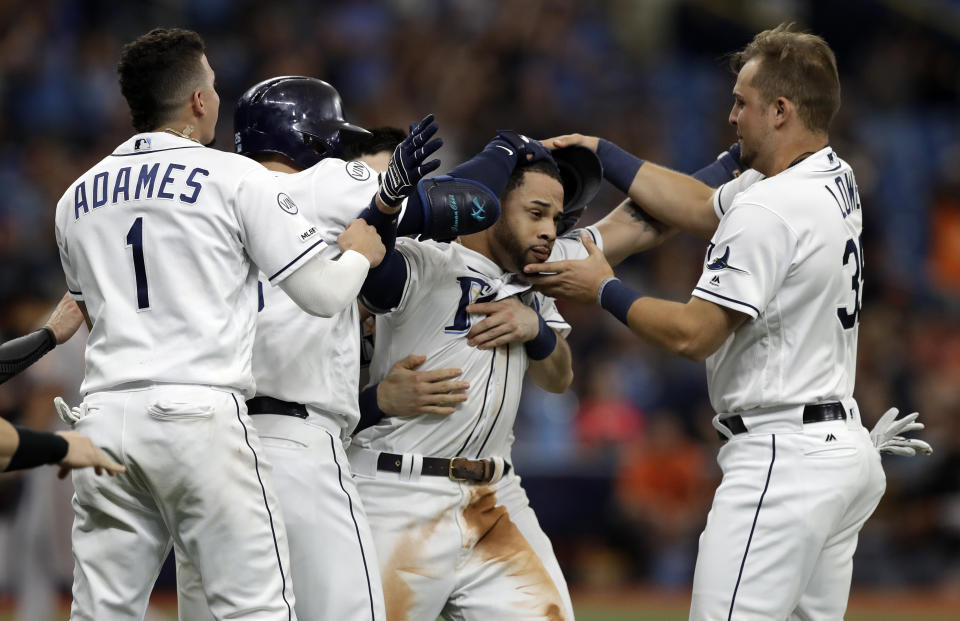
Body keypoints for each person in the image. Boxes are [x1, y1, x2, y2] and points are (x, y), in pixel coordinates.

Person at [524, 23, 928, 619]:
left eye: (743, 103)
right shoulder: (832, 173)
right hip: (840, 449)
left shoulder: (769, 206)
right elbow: (689, 202)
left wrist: (603, 288)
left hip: (781, 461)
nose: (731, 115)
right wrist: (605, 156)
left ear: (782, 111)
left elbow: (695, 334)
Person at [54, 29, 388, 621]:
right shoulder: (233, 176)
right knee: (254, 608)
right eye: (211, 84)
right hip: (198, 417)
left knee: (102, 613)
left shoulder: (74, 197)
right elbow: (322, 294)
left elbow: (88, 304)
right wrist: (360, 251)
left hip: (103, 419)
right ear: (198, 102)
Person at [173, 76, 474, 621]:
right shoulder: (330, 182)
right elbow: (476, 207)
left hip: (209, 445)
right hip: (297, 447)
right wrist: (386, 202)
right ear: (315, 139)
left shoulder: (207, 193)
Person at [350, 131, 579, 621]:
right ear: (490, 206)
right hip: (397, 490)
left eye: (555, 220)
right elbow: (378, 277)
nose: (549, 232)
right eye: (535, 213)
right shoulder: (426, 258)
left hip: (496, 497)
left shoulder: (532, 289)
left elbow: (560, 377)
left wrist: (536, 330)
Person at [0, 293, 122, 477]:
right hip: (70, 447)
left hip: (67, 447)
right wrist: (61, 447)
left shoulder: (56, 327)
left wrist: (47, 336)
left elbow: (43, 404)